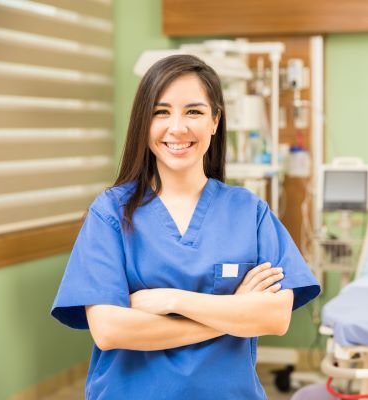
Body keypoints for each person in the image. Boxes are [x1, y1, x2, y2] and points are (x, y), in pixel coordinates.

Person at [51, 54, 320, 399]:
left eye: (193, 111)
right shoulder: (111, 213)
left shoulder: (248, 211)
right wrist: (233, 313)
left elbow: (275, 317)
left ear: (215, 121)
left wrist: (170, 299)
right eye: (161, 112)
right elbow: (109, 329)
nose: (177, 127)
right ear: (143, 122)